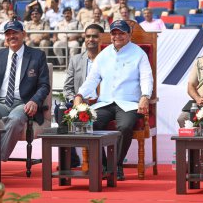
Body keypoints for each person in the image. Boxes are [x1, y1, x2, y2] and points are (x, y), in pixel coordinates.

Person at [73, 20, 153, 181]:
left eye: (121, 33)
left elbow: (146, 77)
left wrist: (145, 96)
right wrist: (79, 95)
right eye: (114, 33)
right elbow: (92, 79)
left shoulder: (139, 54)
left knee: (125, 126)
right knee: (89, 124)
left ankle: (116, 165)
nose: (117, 36)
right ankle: (104, 165)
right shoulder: (103, 55)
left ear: (129, 35)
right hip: (105, 102)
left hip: (129, 103)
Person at [0, 20, 50, 166]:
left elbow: (44, 85)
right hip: (0, 102)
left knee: (15, 119)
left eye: (15, 33)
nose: (11, 36)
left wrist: (34, 100)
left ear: (23, 34)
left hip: (23, 103)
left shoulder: (37, 56)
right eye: (8, 34)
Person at [63, 24, 104, 168]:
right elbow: (67, 88)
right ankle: (71, 160)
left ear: (102, 38)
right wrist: (74, 100)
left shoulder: (109, 59)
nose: (91, 39)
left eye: (95, 36)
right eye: (88, 36)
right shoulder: (75, 60)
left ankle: (101, 163)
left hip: (102, 103)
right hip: (79, 102)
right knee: (61, 111)